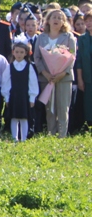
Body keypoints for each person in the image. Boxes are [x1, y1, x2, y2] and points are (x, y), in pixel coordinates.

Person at [33, 8, 76, 138]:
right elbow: (37, 57)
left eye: (59, 18)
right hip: (47, 78)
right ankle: (51, 134)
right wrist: (45, 73)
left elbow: (72, 56)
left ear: (63, 22)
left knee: (62, 108)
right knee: (49, 109)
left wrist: (62, 73)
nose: (56, 20)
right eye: (54, 17)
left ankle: (62, 136)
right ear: (48, 20)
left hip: (63, 78)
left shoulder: (68, 37)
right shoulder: (41, 37)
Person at [3, 38, 39, 142]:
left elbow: (33, 83)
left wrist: (32, 98)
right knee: (14, 117)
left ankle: (23, 138)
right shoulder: (9, 67)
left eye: (22, 52)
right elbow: (6, 83)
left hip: (24, 96)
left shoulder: (29, 67)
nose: (19, 54)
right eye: (17, 52)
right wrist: (7, 98)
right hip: (14, 96)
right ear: (13, 52)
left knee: (24, 117)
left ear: (26, 53)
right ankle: (15, 138)